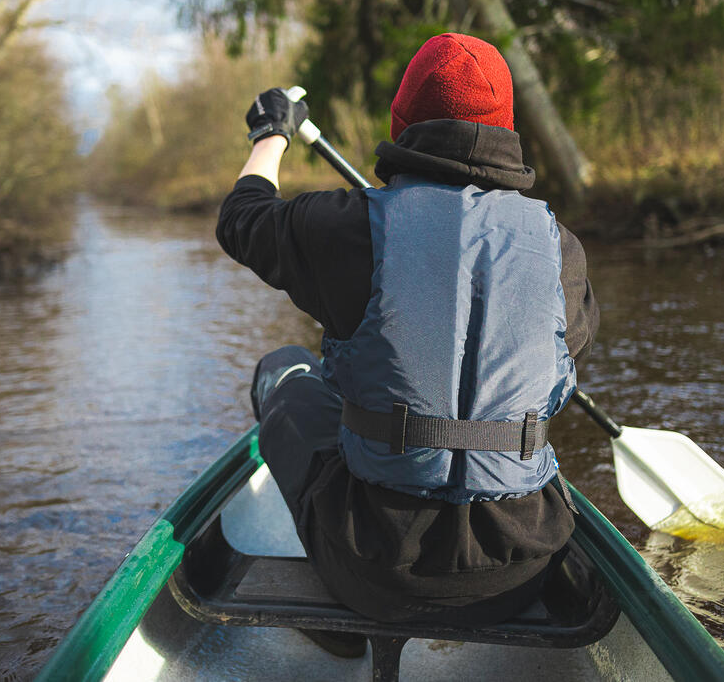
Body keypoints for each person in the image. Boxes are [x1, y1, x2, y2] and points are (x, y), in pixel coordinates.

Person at [216, 33, 599, 655]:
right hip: (523, 568)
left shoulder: (344, 226)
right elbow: (563, 359)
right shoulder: (561, 247)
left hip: (373, 573)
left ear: (403, 123)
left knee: (287, 375)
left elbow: (241, 217)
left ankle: (338, 625)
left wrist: (272, 133)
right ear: (507, 128)